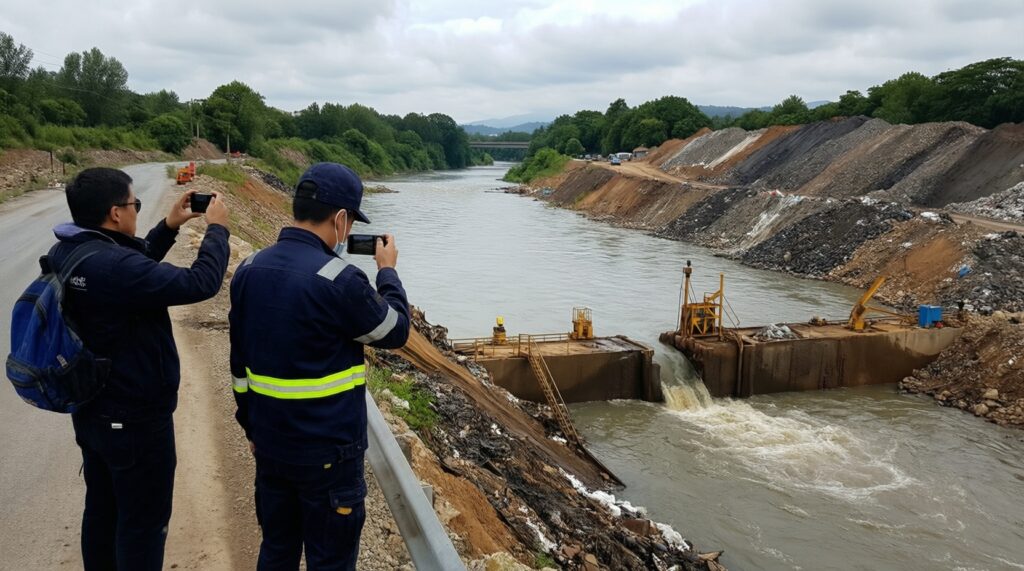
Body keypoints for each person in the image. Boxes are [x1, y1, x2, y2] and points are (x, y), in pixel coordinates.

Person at [229, 162, 410, 570]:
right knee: (330, 561)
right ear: (342, 219)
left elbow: (238, 367)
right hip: (329, 457)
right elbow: (394, 331)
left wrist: (250, 427)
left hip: (270, 446)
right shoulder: (340, 279)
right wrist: (387, 272)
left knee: (277, 550)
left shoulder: (248, 269)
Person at [49, 167, 231, 569]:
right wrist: (217, 230)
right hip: (134, 420)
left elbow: (133, 270)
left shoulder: (73, 250)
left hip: (92, 409)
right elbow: (200, 283)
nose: (136, 211)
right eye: (136, 204)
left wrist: (168, 226)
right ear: (116, 213)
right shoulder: (115, 268)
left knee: (102, 511)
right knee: (143, 524)